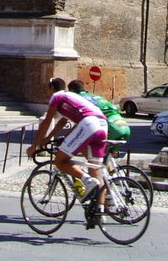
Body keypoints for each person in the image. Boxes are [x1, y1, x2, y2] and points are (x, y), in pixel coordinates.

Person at [27, 77, 108, 227]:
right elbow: (63, 122)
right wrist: (48, 138)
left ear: (51, 88)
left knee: (60, 161)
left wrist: (34, 146)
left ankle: (86, 180)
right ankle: (99, 212)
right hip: (103, 125)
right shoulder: (72, 98)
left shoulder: (57, 96)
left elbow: (46, 122)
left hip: (89, 123)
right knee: (96, 170)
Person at [68, 79, 130, 145]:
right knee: (109, 152)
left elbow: (77, 123)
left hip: (109, 125)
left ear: (71, 91)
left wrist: (67, 137)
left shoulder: (77, 98)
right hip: (123, 125)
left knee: (87, 145)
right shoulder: (94, 96)